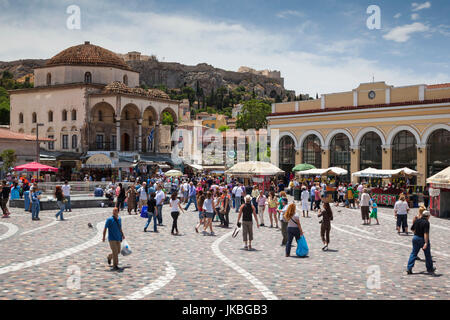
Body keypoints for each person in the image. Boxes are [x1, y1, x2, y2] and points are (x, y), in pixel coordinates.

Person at [406, 210, 435, 275]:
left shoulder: (417, 220)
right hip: (422, 239)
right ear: (428, 216)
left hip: (415, 238)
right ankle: (430, 268)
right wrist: (426, 242)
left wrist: (416, 234)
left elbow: (412, 229)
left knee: (413, 253)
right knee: (427, 254)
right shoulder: (426, 222)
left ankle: (409, 268)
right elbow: (426, 233)